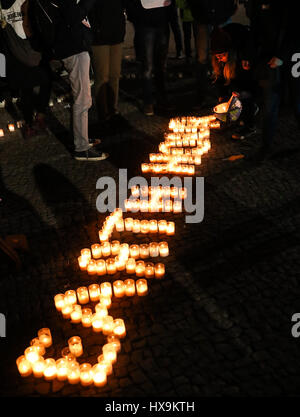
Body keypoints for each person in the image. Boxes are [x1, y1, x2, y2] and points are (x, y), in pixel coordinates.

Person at [30, 0, 109, 161]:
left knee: (80, 97)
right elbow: (75, 15)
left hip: (66, 47)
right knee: (83, 99)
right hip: (73, 47)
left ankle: (81, 137)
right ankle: (81, 147)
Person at [0, 0, 51, 139]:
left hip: (24, 46)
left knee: (38, 81)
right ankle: (33, 120)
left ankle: (35, 119)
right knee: (30, 84)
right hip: (19, 46)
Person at [244, 0, 288, 159]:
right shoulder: (259, 5)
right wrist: (249, 55)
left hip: (289, 57)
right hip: (268, 59)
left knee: (296, 103)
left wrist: (282, 55)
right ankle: (266, 144)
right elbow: (254, 28)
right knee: (269, 103)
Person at [210, 23, 258, 140]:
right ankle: (231, 120)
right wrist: (221, 97)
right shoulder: (219, 61)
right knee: (225, 99)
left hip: (249, 89)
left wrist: (239, 93)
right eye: (217, 56)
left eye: (222, 55)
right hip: (236, 90)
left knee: (242, 97)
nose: (219, 58)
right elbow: (219, 81)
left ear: (230, 53)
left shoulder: (242, 61)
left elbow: (248, 83)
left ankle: (249, 125)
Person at [125, 0, 172, 116]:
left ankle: (162, 99)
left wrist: (169, 10)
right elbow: (130, 5)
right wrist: (139, 18)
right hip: (145, 26)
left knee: (160, 66)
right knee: (148, 67)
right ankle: (148, 101)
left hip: (162, 23)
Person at [187, 0, 238, 107]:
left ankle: (228, 92)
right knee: (202, 58)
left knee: (226, 54)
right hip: (203, 17)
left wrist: (229, 9)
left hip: (222, 15)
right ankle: (202, 94)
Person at [88, 0, 126, 127]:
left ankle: (113, 109)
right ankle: (103, 112)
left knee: (115, 75)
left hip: (117, 35)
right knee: (102, 76)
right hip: (99, 39)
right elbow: (88, 10)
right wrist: (96, 29)